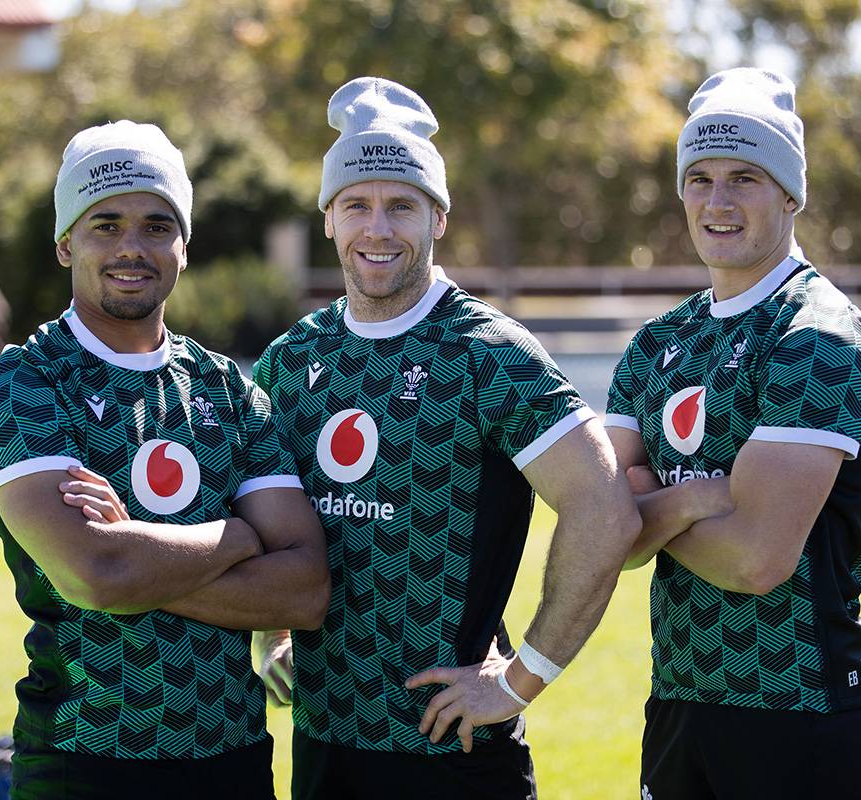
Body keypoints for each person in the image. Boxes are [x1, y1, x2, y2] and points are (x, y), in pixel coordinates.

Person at [251, 77, 642, 800]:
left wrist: (522, 678)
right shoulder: (288, 360)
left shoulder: (490, 353)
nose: (378, 228)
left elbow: (605, 508)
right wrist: (270, 634)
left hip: (453, 753)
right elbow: (264, 523)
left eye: (402, 205)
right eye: (356, 205)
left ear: (438, 217)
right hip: (323, 748)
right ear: (329, 219)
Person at [0, 120, 329, 799]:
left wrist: (136, 552)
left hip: (235, 762)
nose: (132, 247)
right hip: (84, 760)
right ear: (65, 241)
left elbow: (305, 590)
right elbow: (98, 574)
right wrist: (239, 537)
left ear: (184, 247)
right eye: (105, 224)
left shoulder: (227, 388)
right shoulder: (28, 385)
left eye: (156, 225)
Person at [603, 68, 861, 799]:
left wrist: (648, 505)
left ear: (792, 193)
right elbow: (602, 524)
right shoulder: (655, 342)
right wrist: (697, 499)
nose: (718, 201)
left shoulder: (817, 336)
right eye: (699, 179)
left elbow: (757, 559)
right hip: (678, 701)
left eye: (745, 178)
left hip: (800, 711)